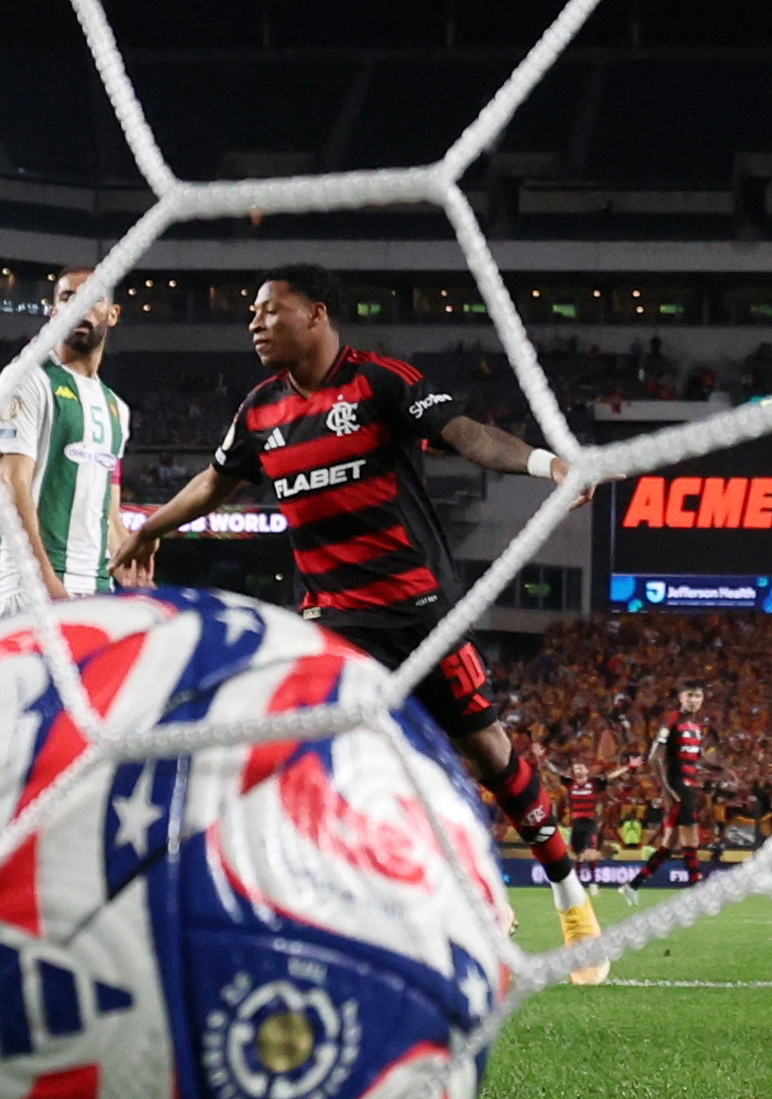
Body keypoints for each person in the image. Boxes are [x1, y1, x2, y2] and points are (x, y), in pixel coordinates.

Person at [112, 265, 609, 981]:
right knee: (315, 762)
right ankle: (363, 914)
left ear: (315, 314)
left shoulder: (379, 382)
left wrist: (546, 464)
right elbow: (216, 480)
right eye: (250, 313)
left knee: (492, 757)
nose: (253, 323)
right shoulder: (258, 411)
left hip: (417, 612)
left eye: (269, 311)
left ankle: (569, 898)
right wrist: (149, 526)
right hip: (330, 624)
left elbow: (465, 433)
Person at [0, 268, 136, 619]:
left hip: (95, 588)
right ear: (55, 313)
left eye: (93, 297)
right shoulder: (28, 379)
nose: (79, 305)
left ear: (112, 314)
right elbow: (10, 484)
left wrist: (131, 572)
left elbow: (109, 513)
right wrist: (44, 580)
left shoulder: (117, 407)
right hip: (29, 588)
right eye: (68, 298)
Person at [629, 682, 711, 896]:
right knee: (690, 839)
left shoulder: (696, 726)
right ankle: (696, 889)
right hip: (679, 787)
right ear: (681, 697)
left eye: (698, 696)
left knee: (669, 845)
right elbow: (654, 757)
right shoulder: (673, 721)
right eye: (690, 695)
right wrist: (667, 790)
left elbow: (692, 759)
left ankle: (632, 886)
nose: (694, 700)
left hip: (690, 786)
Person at [562, 760, 606, 884]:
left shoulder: (594, 784)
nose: (578, 769)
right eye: (575, 768)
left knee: (590, 853)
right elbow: (552, 771)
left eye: (580, 767)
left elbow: (610, 776)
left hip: (590, 822)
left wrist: (629, 766)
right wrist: (541, 757)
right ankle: (577, 881)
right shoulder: (570, 784)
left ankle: (593, 882)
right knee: (578, 854)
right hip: (576, 823)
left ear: (587, 771)